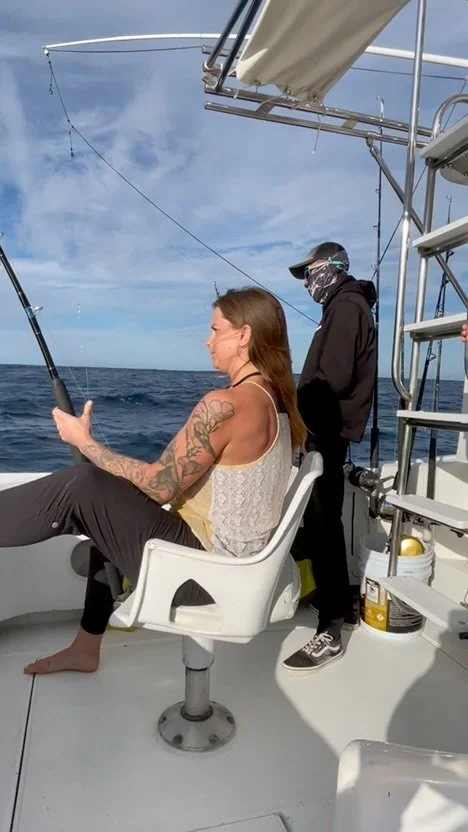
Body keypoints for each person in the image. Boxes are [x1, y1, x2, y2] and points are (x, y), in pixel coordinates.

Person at [0, 287, 306, 676]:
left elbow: (161, 486)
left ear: (244, 335)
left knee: (84, 485)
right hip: (237, 569)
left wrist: (85, 443)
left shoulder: (229, 403)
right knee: (108, 503)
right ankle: (85, 648)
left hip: (209, 577)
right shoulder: (274, 401)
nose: (207, 339)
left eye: (215, 329)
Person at [282, 241, 377, 673]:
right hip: (323, 433)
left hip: (325, 434)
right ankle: (334, 598)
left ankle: (332, 626)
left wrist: (294, 416)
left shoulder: (346, 307)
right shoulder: (342, 307)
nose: (306, 282)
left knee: (322, 524)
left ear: (332, 267)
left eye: (309, 272)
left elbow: (331, 380)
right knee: (321, 523)